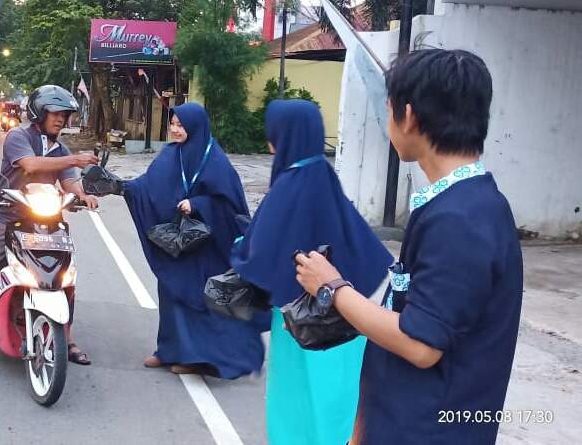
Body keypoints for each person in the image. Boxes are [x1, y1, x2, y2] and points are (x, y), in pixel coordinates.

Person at [296, 49, 523, 444]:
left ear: (410, 115)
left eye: (388, 110)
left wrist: (331, 288)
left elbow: (421, 345)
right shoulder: (456, 203)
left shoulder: (461, 221)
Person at [230, 99, 392, 445]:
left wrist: (238, 250)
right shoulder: (323, 173)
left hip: (301, 322)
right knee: (338, 398)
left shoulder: (289, 183)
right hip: (349, 313)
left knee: (299, 402)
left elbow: (259, 252)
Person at [0, 85, 100, 370]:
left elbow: (69, 182)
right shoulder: (18, 136)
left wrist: (82, 195)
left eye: (65, 114)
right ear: (39, 113)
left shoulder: (61, 148)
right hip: (5, 214)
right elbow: (30, 166)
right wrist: (76, 159)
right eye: (54, 113)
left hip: (43, 217)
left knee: (64, 272)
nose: (60, 119)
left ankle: (66, 337)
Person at [123, 103, 265, 378]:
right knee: (170, 295)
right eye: (173, 124)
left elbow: (231, 204)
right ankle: (167, 351)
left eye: (180, 125)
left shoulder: (215, 160)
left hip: (205, 248)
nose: (175, 130)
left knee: (197, 300)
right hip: (178, 245)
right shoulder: (169, 155)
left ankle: (196, 357)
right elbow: (147, 186)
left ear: (196, 126)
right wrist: (122, 187)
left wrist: (198, 204)